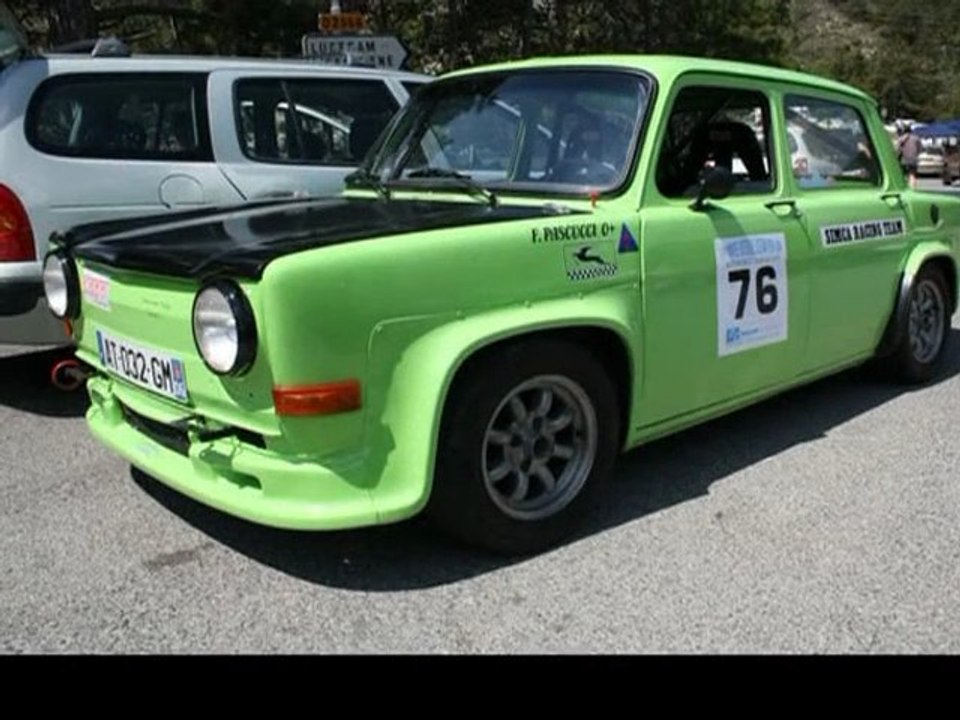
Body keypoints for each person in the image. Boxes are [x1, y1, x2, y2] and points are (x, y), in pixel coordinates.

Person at [897, 123, 921, 189]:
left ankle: (905, 187)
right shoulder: (916, 138)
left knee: (903, 175)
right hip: (913, 159)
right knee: (912, 174)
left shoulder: (901, 139)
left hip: (904, 159)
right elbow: (919, 149)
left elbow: (898, 150)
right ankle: (913, 188)